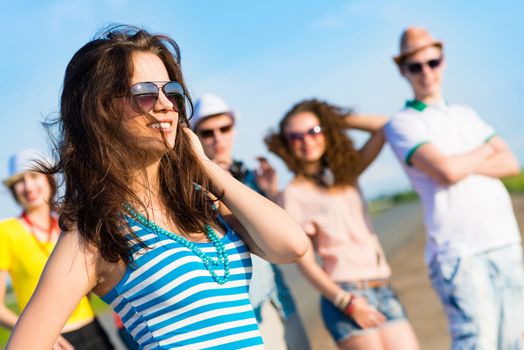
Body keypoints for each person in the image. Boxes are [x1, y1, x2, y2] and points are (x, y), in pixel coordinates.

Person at [6, 25, 308, 350]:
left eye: (171, 91)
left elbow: (291, 246)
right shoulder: (96, 233)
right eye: (146, 93)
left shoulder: (199, 203)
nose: (166, 105)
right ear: (101, 110)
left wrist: (207, 169)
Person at [385, 27, 524, 349]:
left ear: (442, 61)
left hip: (503, 239)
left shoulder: (466, 113)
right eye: (415, 66)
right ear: (403, 70)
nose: (426, 72)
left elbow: (510, 163)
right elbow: (446, 171)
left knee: (514, 341)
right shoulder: (403, 122)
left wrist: (462, 164)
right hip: (459, 252)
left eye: (432, 62)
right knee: (477, 341)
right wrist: (484, 151)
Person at [266, 99, 419, 350]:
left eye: (314, 131)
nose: (307, 140)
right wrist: (345, 301)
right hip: (346, 295)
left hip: (383, 288)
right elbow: (304, 262)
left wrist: (332, 118)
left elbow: (384, 126)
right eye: (296, 136)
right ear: (286, 145)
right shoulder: (293, 194)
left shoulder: (348, 174)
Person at [191, 93, 311, 350]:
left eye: (224, 128)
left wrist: (271, 193)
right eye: (208, 132)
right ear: (196, 137)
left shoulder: (252, 177)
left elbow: (286, 236)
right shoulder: (193, 188)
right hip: (242, 312)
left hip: (279, 298)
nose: (218, 138)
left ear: (234, 129)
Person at [0, 149, 114, 350]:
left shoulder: (71, 224)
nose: (28, 186)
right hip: (48, 342)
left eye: (34, 176)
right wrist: (35, 334)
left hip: (93, 331)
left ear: (49, 179)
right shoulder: (5, 232)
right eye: (19, 181)